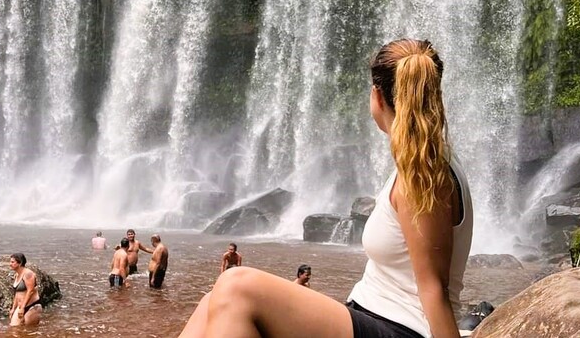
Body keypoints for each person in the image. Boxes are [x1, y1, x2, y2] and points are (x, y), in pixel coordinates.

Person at [179, 38, 473, 338]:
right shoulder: (419, 160)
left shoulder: (422, 174)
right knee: (211, 302)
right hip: (369, 316)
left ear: (378, 97)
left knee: (235, 287)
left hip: (403, 330)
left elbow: (434, 288)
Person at [8, 253, 42, 326]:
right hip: (20, 307)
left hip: (32, 306)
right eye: (10, 262)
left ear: (19, 263)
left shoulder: (28, 274)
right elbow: (17, 294)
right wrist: (13, 308)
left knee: (29, 332)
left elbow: (30, 291)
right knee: (14, 328)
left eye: (12, 262)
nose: (10, 264)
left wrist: (23, 307)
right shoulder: (16, 275)